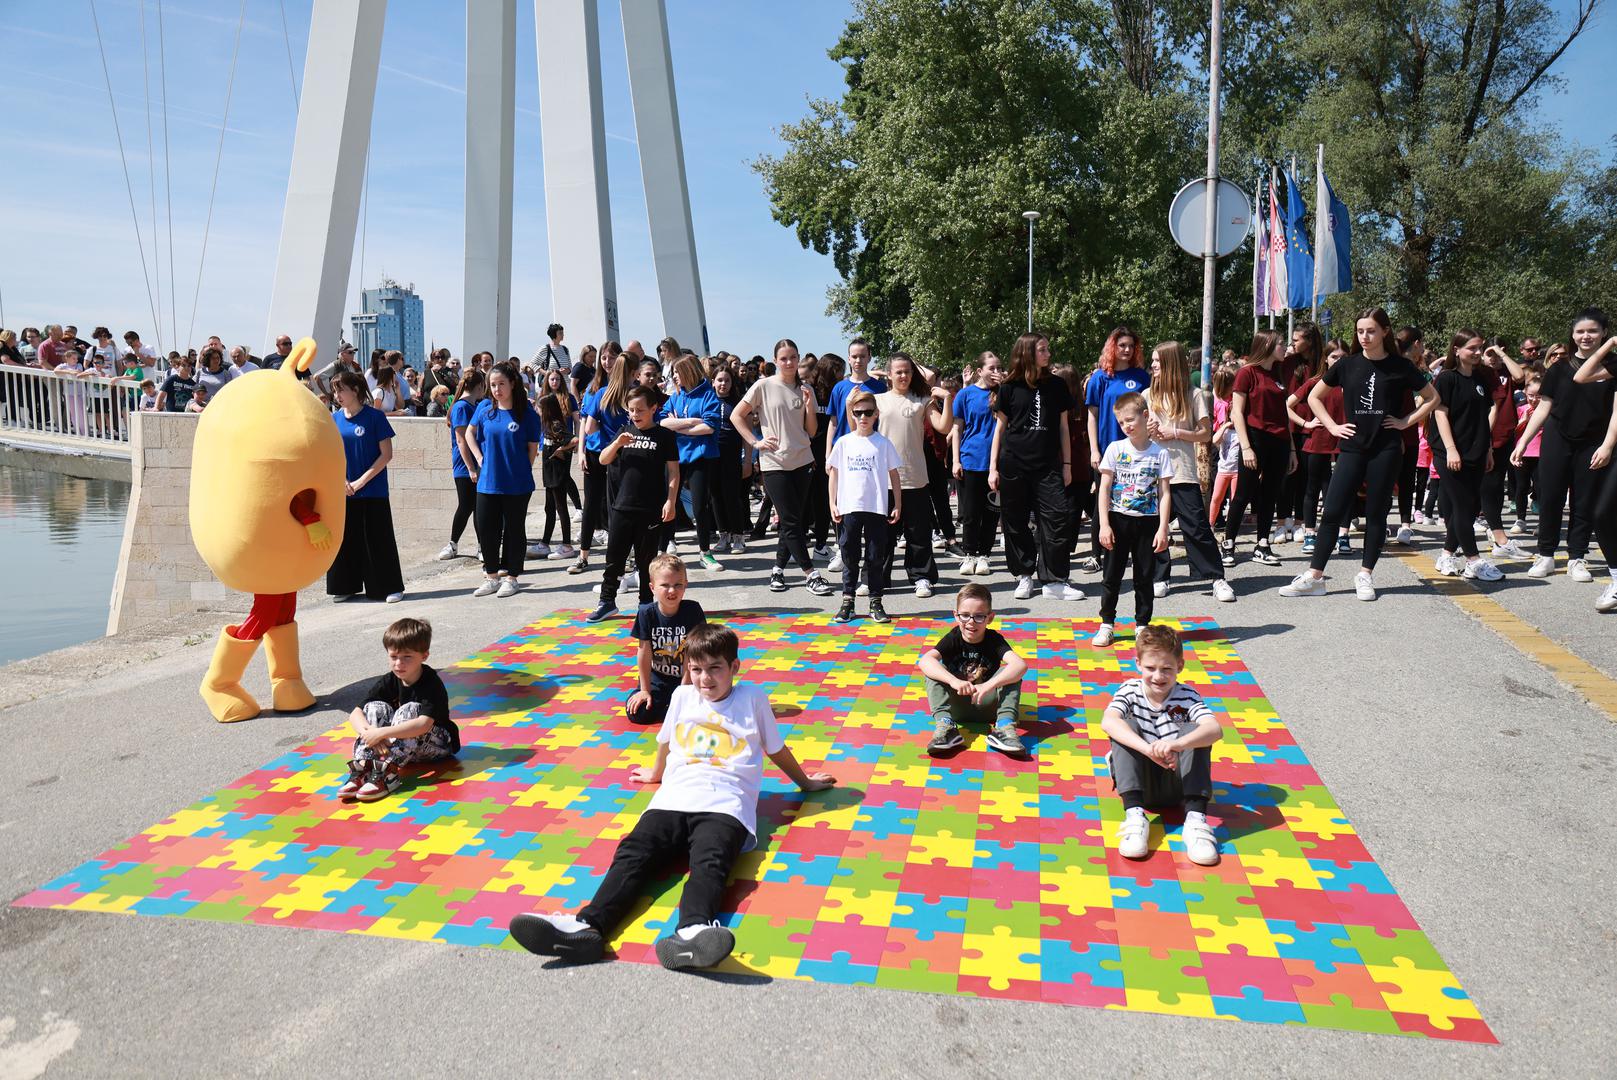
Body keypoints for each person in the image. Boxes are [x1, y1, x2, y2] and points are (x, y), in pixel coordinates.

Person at [508, 623, 835, 970]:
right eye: (696, 669)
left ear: (734, 667)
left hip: (726, 804)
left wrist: (805, 783)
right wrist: (656, 773)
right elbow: (665, 741)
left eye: (715, 668)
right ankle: (588, 926)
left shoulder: (752, 698)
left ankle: (693, 931)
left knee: (710, 861)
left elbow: (775, 748)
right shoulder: (682, 697)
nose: (705, 678)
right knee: (633, 854)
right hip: (673, 798)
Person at [1281, 307, 1437, 600]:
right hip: (1352, 448)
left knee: (1376, 515)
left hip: (1386, 450)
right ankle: (1315, 577)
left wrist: (1405, 421)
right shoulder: (1347, 364)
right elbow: (1314, 397)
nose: (1364, 336)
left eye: (1371, 331)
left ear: (1385, 332)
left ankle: (1365, 574)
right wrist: (1331, 426)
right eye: (1360, 331)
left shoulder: (1400, 366)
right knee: (1332, 511)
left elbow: (1432, 398)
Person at [1099, 623, 1222, 866]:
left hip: (1177, 784)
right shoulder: (1130, 690)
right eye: (1150, 668)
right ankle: (1134, 817)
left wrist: (1177, 744)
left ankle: (1196, 821)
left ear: (1180, 666)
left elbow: (1215, 729)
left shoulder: (1188, 696)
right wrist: (1147, 749)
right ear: (1138, 664)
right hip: (1139, 781)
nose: (1158, 676)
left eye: (1167, 669)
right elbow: (1108, 721)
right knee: (1124, 726)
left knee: (1197, 731)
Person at [1514, 309, 1617, 588]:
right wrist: (1523, 441)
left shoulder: (1612, 366)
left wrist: (1608, 445)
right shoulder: (1559, 367)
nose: (1586, 336)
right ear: (1572, 335)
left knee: (1584, 501)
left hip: (1593, 442)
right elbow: (1544, 407)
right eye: (1580, 331)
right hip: (1557, 438)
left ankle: (1577, 557)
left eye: (1593, 331)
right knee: (1550, 497)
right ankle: (1545, 554)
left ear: (1604, 333)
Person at [732, 338, 835, 597]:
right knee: (790, 521)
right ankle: (811, 574)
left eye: (793, 358)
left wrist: (809, 406)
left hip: (802, 462)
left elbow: (811, 430)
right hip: (774, 463)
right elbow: (736, 415)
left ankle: (777, 569)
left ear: (799, 359)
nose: (789, 363)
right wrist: (755, 442)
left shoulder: (806, 389)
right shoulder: (763, 386)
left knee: (793, 522)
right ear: (775, 361)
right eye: (784, 358)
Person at [989, 332, 1082, 601]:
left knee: (1057, 519)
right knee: (1015, 521)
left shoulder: (1057, 385)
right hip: (1013, 464)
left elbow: (1063, 428)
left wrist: (1067, 464)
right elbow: (1000, 429)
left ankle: (1054, 580)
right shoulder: (1009, 387)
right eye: (1042, 349)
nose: (1048, 354)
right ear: (1028, 352)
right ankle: (1024, 575)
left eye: (1047, 349)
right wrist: (993, 467)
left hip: (1048, 465)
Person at [1145, 342, 1235, 604]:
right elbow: (1136, 433)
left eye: (1157, 361)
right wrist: (1145, 429)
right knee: (1154, 527)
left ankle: (1216, 578)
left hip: (1182, 471)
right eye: (1153, 361)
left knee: (1196, 527)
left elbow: (1205, 434)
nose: (1153, 365)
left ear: (1170, 363)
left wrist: (1175, 432)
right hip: (1152, 473)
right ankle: (1160, 577)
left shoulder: (1193, 394)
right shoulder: (1147, 394)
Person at [336, 618, 460, 802]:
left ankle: (388, 773)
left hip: (437, 745)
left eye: (407, 657)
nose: (399, 664)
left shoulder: (431, 682)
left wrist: (382, 733)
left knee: (409, 710)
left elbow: (423, 724)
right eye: (393, 657)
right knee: (374, 707)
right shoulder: (390, 679)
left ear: (424, 656)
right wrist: (369, 733)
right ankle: (364, 768)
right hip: (399, 745)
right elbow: (356, 713)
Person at [589, 385, 680, 621]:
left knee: (646, 561)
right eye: (631, 410)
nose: (635, 414)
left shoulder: (664, 436)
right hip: (622, 505)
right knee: (614, 558)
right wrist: (617, 444)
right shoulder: (624, 431)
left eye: (640, 409)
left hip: (650, 508)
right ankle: (607, 601)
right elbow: (603, 459)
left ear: (653, 408)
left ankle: (645, 604)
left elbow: (673, 472)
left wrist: (670, 501)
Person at [1094, 393, 1173, 647]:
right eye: (1121, 422)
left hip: (1148, 523)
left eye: (1130, 420)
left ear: (1145, 416)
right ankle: (1107, 624)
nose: (1126, 426)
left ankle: (1142, 625)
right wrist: (1104, 524)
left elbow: (1164, 493)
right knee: (1111, 576)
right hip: (1118, 520)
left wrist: (1163, 528)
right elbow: (1105, 488)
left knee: (1144, 577)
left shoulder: (1160, 453)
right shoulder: (1115, 449)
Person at [916, 583, 1028, 757]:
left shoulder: (994, 640)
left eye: (979, 616)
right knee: (936, 669)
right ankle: (946, 727)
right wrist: (954, 681)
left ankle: (1004, 728)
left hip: (988, 706)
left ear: (990, 618)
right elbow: (925, 661)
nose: (971, 622)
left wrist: (989, 685)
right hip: (955, 707)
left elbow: (1020, 665)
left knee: (1010, 673)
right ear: (956, 615)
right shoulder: (953, 638)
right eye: (965, 615)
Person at [1428, 330, 1504, 581]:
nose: (1477, 352)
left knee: (1470, 506)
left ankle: (1446, 554)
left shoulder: (1481, 378)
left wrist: (1488, 449)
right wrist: (1451, 449)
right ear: (1456, 350)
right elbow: (1440, 414)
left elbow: (1482, 417)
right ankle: (1474, 560)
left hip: (1476, 451)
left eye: (1479, 347)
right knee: (1462, 505)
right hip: (1449, 451)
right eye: (1472, 348)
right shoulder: (1447, 378)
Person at [875, 353, 953, 598]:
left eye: (907, 371)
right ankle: (876, 578)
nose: (903, 376)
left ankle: (921, 577)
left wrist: (948, 399)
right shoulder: (877, 400)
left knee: (918, 533)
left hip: (915, 476)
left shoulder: (922, 400)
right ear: (889, 375)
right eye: (898, 371)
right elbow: (857, 428)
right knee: (882, 535)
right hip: (884, 478)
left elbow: (943, 427)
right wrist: (848, 407)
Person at [326, 371, 405, 603]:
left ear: (356, 390)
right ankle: (346, 586)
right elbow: (331, 456)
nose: (337, 395)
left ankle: (389, 587)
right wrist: (342, 481)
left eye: (341, 390)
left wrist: (361, 481)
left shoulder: (375, 417)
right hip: (344, 490)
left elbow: (386, 455)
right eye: (334, 391)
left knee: (378, 539)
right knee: (346, 539)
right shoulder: (334, 420)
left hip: (373, 490)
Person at [466, 359, 543, 598]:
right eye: (492, 384)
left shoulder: (527, 415)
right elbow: (469, 433)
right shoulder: (484, 410)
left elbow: (532, 449)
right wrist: (479, 458)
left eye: (501, 384)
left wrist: (519, 470)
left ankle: (512, 577)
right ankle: (491, 577)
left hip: (516, 484)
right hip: (487, 483)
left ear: (512, 384)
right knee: (487, 530)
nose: (497, 389)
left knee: (514, 531)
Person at [826, 389, 902, 623]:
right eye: (858, 412)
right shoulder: (843, 442)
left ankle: (875, 601)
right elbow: (834, 473)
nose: (863, 417)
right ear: (852, 413)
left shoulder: (883, 443)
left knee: (875, 556)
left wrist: (897, 504)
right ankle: (847, 601)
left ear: (876, 414)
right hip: (849, 507)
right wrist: (832, 503)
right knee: (849, 555)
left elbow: (894, 474)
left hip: (876, 507)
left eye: (868, 412)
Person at [1220, 330, 1293, 567]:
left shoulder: (1278, 372)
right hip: (1254, 439)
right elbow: (1237, 412)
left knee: (1270, 494)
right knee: (1243, 493)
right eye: (1281, 343)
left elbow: (1283, 415)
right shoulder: (1247, 372)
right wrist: (1246, 447)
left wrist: (1292, 449)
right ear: (1267, 345)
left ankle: (1262, 545)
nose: (1285, 347)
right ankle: (1228, 542)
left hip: (1280, 441)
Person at [1085, 327, 1151, 560]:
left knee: (1133, 500)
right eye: (1122, 345)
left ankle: (1128, 552)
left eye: (1131, 346)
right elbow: (1092, 416)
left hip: (1137, 450)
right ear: (1112, 347)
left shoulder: (1142, 377)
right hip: (1107, 450)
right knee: (1103, 502)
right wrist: (1094, 450)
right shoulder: (1100, 377)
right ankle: (1096, 555)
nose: (1127, 349)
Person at [626, 554, 707, 726]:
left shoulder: (693, 611)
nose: (672, 591)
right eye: (665, 585)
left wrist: (684, 690)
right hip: (657, 681)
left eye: (678, 585)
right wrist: (644, 690)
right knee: (638, 713)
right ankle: (669, 710)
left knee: (703, 708)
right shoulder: (646, 613)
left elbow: (693, 654)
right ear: (652, 587)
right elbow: (644, 652)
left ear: (685, 585)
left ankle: (671, 710)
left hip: (688, 679)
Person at [661, 354, 725, 571]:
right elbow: (662, 421)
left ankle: (705, 553)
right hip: (676, 457)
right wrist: (688, 422)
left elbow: (709, 427)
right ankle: (664, 546)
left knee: (699, 506)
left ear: (689, 372)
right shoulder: (675, 396)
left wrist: (678, 427)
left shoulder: (708, 394)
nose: (674, 377)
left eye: (677, 372)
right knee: (669, 501)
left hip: (701, 457)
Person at [575, 344, 630, 575]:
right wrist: (581, 451)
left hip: (620, 453)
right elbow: (585, 424)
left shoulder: (629, 388)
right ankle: (583, 555)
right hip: (596, 452)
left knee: (617, 504)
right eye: (603, 358)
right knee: (591, 504)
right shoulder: (594, 387)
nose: (607, 362)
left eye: (612, 357)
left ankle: (623, 555)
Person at [1288, 341, 1347, 555]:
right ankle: (1310, 533)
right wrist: (1306, 424)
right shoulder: (1315, 382)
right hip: (1318, 441)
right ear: (1326, 359)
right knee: (1312, 489)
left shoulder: (1354, 382)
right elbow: (1288, 405)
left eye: (1343, 357)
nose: (1338, 361)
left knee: (1344, 490)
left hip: (1346, 441)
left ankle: (1343, 535)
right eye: (1334, 357)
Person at [952, 351, 1003, 577]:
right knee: (971, 513)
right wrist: (956, 460)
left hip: (997, 463)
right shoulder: (965, 394)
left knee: (991, 512)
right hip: (971, 459)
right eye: (992, 368)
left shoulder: (1004, 392)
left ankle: (984, 554)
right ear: (979, 371)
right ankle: (969, 553)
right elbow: (957, 429)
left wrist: (1005, 387)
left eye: (999, 368)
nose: (996, 372)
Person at [438, 368, 487, 562]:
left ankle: (482, 545)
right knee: (466, 505)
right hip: (465, 465)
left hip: (478, 463)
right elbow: (461, 440)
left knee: (478, 507)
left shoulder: (475, 406)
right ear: (480, 386)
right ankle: (453, 543)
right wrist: (470, 468)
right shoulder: (461, 407)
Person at [535, 388, 579, 561]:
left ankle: (567, 545)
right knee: (549, 509)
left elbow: (575, 439)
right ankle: (545, 542)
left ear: (547, 409)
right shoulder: (548, 426)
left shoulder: (556, 425)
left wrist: (562, 449)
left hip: (557, 474)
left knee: (561, 509)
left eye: (540, 408)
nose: (537, 411)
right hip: (550, 475)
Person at [709, 366, 747, 554]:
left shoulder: (739, 403)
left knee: (731, 496)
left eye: (727, 380)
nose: (723, 384)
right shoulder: (708, 400)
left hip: (732, 455)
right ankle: (723, 535)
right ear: (713, 382)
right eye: (720, 380)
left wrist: (748, 460)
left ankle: (738, 536)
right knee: (716, 496)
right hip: (712, 454)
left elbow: (747, 432)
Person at [825, 337, 886, 444]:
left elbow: (883, 422)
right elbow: (833, 422)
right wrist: (828, 451)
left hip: (871, 445)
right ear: (849, 359)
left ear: (869, 358)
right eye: (854, 357)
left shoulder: (880, 388)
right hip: (843, 447)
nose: (858, 360)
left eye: (862, 356)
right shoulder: (839, 387)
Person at [1510, 375, 1543, 535]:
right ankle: (1521, 520)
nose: (1534, 399)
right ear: (1525, 393)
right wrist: (1523, 420)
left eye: (1539, 396)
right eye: (1531, 395)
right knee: (1521, 487)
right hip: (1523, 453)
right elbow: (1512, 432)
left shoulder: (1546, 410)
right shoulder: (1520, 409)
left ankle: (1542, 522)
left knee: (1541, 488)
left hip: (1541, 454)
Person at [1207, 366, 1239, 528]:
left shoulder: (1231, 400)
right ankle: (1215, 518)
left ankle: (1227, 521)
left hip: (1231, 444)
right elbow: (1215, 436)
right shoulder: (1218, 403)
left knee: (1232, 494)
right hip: (1219, 441)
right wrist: (1225, 425)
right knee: (1215, 485)